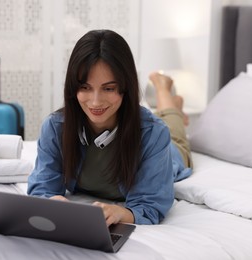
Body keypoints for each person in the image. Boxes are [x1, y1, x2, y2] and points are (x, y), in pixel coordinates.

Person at [27, 29, 192, 226]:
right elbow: (42, 188)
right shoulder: (55, 127)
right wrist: (51, 202)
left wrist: (120, 212)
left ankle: (164, 90)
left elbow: (150, 206)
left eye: (108, 88)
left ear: (125, 88)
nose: (95, 102)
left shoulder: (155, 134)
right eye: (85, 87)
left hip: (171, 152)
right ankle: (172, 105)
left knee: (176, 135)